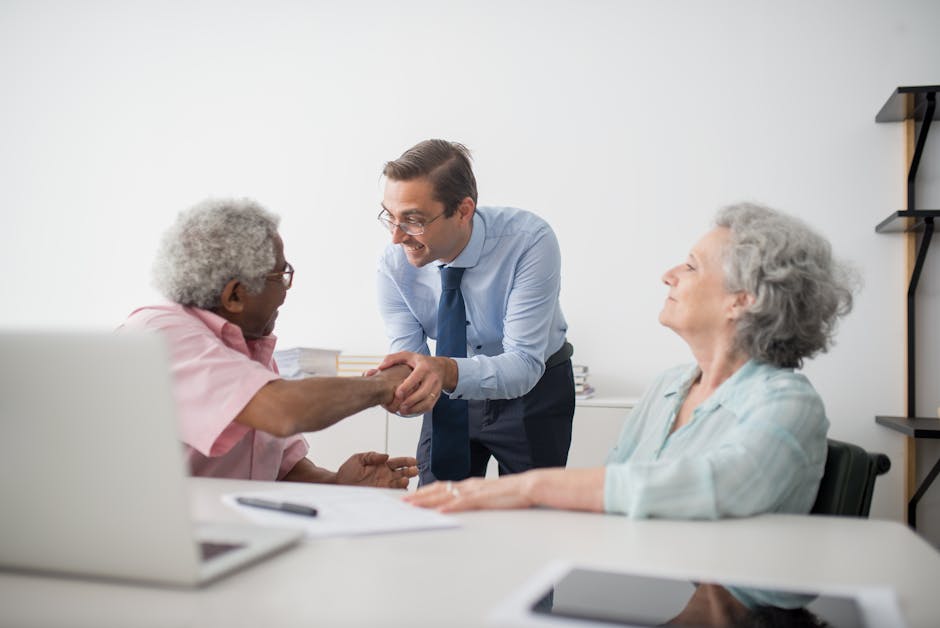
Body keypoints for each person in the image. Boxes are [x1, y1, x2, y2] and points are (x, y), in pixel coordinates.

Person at [406, 202, 855, 517]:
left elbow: (714, 486)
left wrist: (526, 487)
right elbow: (618, 494)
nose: (669, 274)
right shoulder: (670, 387)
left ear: (742, 299)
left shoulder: (788, 402)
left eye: (692, 266)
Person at [119, 198, 418, 487]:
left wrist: (338, 482)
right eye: (281, 275)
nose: (286, 290)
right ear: (235, 295)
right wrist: (384, 384)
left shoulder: (244, 347)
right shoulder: (160, 337)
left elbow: (280, 468)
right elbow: (284, 411)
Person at [374, 139, 575, 485]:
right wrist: (397, 390)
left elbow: (524, 364)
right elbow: (411, 363)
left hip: (534, 389)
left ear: (464, 211)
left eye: (413, 220)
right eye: (389, 217)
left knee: (535, 513)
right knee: (437, 505)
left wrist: (441, 372)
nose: (396, 237)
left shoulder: (529, 241)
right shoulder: (394, 266)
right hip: (447, 390)